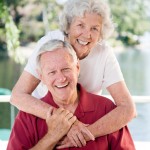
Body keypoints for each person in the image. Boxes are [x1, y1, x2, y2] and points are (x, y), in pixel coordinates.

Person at [10, 0, 136, 147]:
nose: (87, 35)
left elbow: (128, 108)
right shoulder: (49, 44)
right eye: (80, 25)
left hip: (88, 118)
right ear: (68, 26)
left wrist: (84, 133)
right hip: (45, 117)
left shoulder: (104, 52)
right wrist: (66, 122)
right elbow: (17, 96)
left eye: (94, 28)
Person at [7, 40, 135, 150]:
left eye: (66, 69)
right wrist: (52, 137)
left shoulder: (107, 109)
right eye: (52, 72)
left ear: (77, 68)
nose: (61, 78)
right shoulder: (27, 117)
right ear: (42, 77)